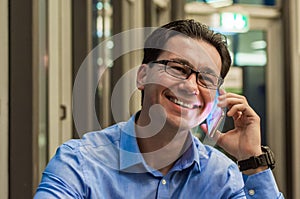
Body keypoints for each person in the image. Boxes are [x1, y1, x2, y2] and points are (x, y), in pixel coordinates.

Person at [34, 19, 284, 198]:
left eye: (206, 78)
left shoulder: (222, 176)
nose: (190, 86)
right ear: (143, 76)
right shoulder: (80, 162)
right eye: (177, 68)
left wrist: (253, 160)